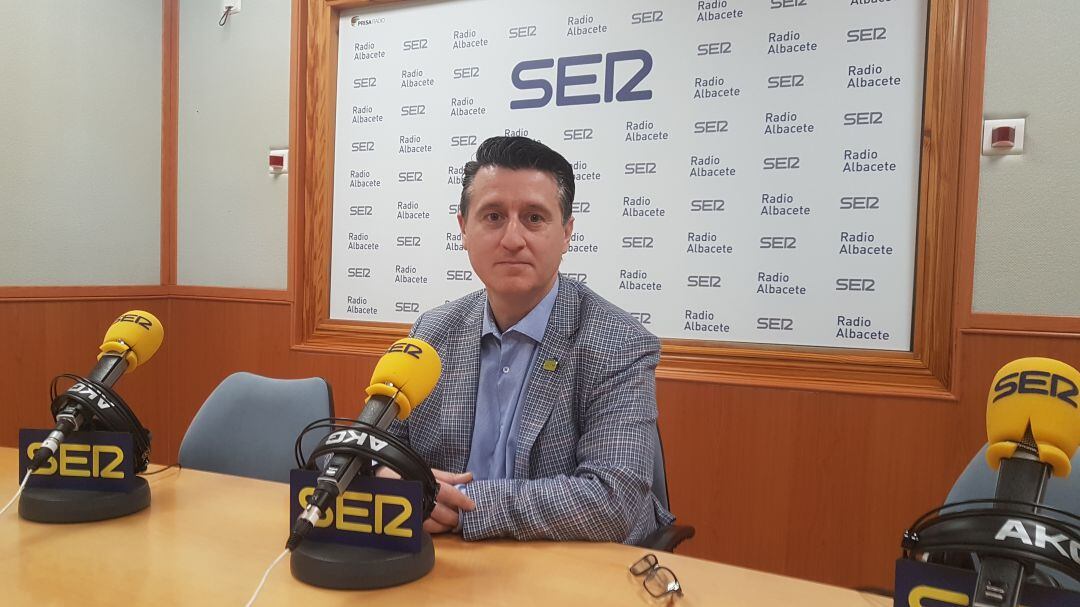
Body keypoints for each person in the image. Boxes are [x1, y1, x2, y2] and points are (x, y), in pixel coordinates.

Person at [387, 136, 674, 544]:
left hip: (570, 566)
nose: (512, 239)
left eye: (534, 218)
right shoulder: (431, 334)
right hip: (446, 562)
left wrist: (459, 506)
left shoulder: (618, 343)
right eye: (493, 216)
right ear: (463, 229)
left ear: (567, 232)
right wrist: (382, 475)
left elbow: (613, 501)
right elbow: (376, 450)